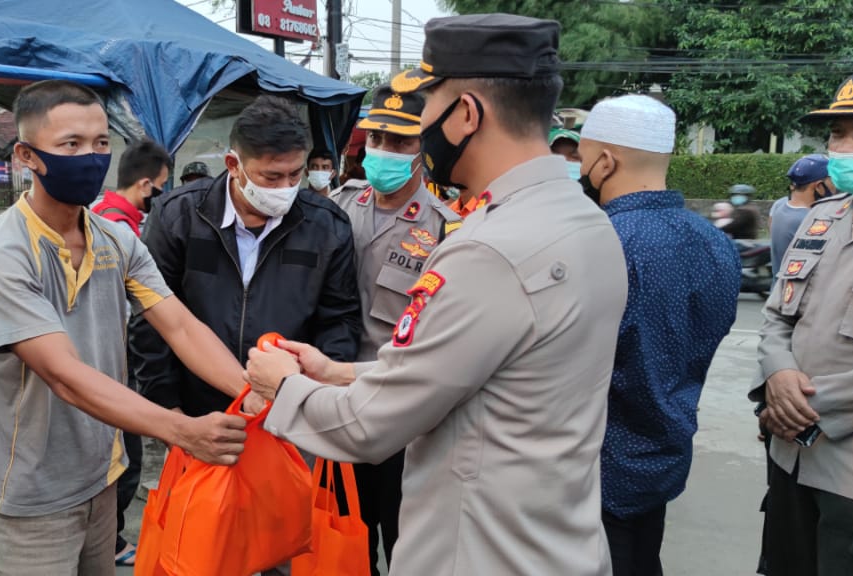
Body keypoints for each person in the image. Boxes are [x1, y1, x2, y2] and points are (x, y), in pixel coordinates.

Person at [244, 15, 627, 576]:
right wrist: (337, 371)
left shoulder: (489, 248)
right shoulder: (585, 222)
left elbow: (368, 427)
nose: (420, 127)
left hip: (475, 551)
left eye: (425, 108)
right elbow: (473, 376)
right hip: (553, 543)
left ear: (466, 113)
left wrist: (282, 388)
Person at [0, 80, 250, 575]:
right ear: (27, 156)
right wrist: (182, 431)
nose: (91, 157)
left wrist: (249, 392)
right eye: (70, 145)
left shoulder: (115, 237)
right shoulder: (0, 254)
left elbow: (179, 324)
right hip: (33, 496)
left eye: (100, 143)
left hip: (103, 475)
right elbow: (64, 375)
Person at [577, 94, 741, 576]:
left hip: (596, 468)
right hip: (665, 453)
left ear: (606, 162)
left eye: (583, 160)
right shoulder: (717, 243)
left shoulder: (602, 242)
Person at [132, 94, 361, 421]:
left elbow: (339, 320)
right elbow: (152, 321)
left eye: (295, 175)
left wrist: (314, 399)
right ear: (233, 165)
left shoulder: (325, 226)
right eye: (271, 177)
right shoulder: (179, 218)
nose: (285, 187)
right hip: (200, 413)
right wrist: (170, 412)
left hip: (288, 412)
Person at [328, 83, 459, 575]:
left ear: (422, 150)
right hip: (338, 405)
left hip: (405, 416)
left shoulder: (446, 228)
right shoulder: (339, 207)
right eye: (379, 139)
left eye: (401, 142)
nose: (386, 151)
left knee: (407, 540)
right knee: (345, 538)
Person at [754, 69, 853, 576]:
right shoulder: (822, 217)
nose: (846, 148)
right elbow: (777, 314)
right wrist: (777, 376)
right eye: (838, 133)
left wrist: (800, 408)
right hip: (789, 461)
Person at [88, 136, 172, 566]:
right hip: (117, 352)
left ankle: (110, 537)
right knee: (126, 451)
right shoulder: (120, 227)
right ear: (144, 185)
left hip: (103, 351)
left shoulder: (99, 215)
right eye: (159, 187)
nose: (158, 196)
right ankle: (115, 540)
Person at [93, 138, 171, 236]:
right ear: (145, 185)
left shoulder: (99, 210)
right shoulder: (123, 230)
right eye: (161, 185)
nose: (162, 192)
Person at [771, 155, 833, 274]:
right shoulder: (810, 221)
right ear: (819, 186)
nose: (835, 187)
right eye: (832, 181)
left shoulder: (780, 207)